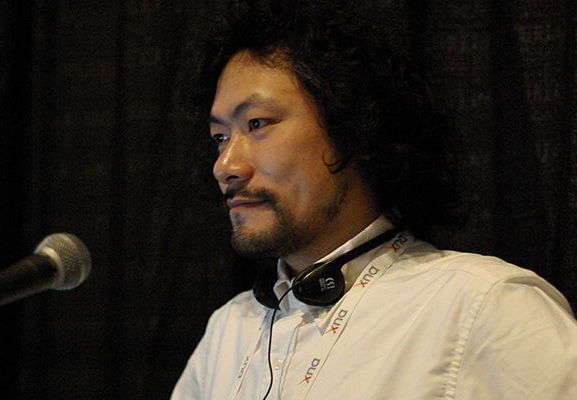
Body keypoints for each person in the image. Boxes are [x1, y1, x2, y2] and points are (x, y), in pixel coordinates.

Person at [172, 0, 577, 399]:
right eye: (220, 137)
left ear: (354, 127)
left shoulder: (486, 306)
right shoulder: (227, 330)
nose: (225, 165)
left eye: (257, 123)